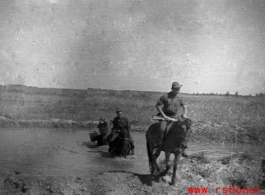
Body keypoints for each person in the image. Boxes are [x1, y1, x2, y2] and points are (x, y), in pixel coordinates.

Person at [155, 81, 189, 157]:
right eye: (176, 89)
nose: (178, 91)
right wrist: (163, 116)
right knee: (162, 129)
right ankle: (158, 146)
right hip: (165, 117)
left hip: (175, 117)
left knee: (183, 129)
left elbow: (185, 106)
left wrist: (185, 113)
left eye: (179, 89)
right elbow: (157, 105)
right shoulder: (165, 96)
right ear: (172, 89)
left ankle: (182, 149)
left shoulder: (180, 98)